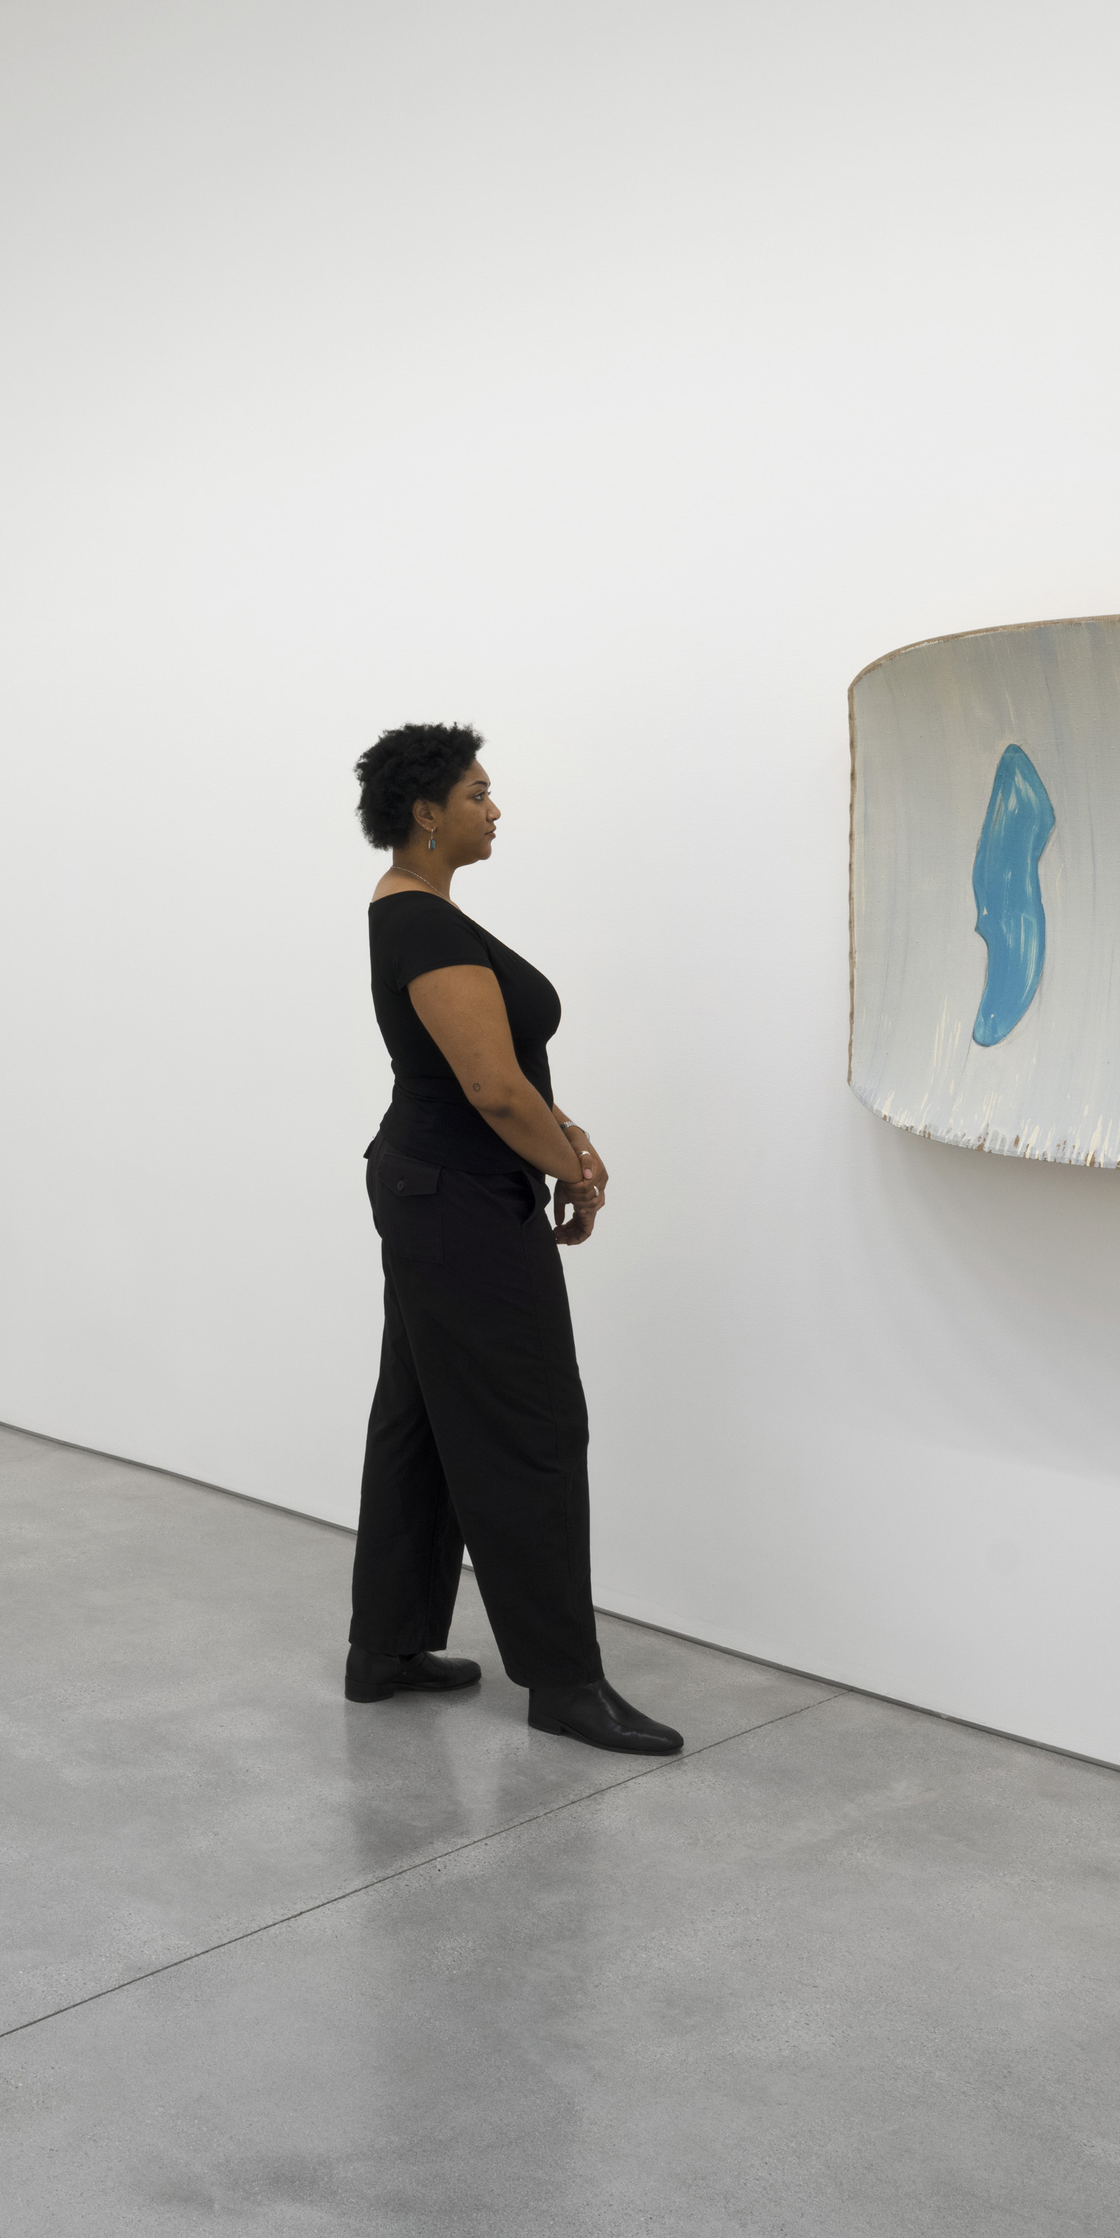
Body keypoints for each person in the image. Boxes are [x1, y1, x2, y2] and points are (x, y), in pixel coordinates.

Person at [344, 724, 682, 1756]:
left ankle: (386, 1649)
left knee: (420, 1417)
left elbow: (493, 1074)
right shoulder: (423, 924)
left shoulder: (418, 913)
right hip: (459, 1194)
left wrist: (563, 1132)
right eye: (477, 793)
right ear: (426, 813)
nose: (496, 810)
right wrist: (570, 1170)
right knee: (532, 1426)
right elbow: (491, 1088)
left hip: (434, 1184)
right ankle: (564, 1682)